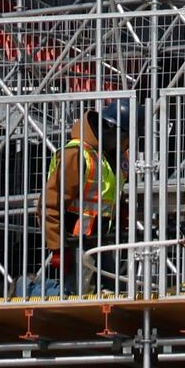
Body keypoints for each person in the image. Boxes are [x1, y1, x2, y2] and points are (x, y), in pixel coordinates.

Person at [30, 104, 122, 297]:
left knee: (110, 291)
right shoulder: (77, 155)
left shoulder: (105, 157)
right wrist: (57, 247)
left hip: (100, 238)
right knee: (74, 294)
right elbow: (50, 203)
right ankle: (27, 289)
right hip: (76, 239)